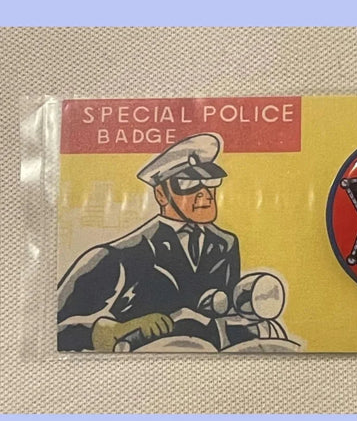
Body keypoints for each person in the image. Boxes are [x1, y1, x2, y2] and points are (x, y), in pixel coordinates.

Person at [58, 133, 245, 352]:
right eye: (188, 184)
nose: (205, 194)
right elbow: (55, 330)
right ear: (161, 195)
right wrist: (119, 328)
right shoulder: (120, 255)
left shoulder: (225, 244)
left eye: (210, 181)